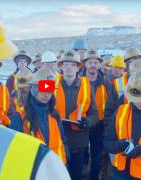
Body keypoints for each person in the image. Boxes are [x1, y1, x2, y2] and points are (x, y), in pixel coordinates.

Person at [0, 1, 70, 179]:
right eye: (43, 90)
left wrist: (66, 156)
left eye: (49, 91)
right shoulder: (20, 116)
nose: (46, 94)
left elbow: (62, 139)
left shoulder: (54, 114)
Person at [104, 70, 141, 180]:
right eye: (135, 99)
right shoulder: (121, 111)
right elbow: (107, 143)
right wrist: (121, 145)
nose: (139, 103)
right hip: (120, 174)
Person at [55, 49, 98, 180]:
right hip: (56, 141)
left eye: (72, 65)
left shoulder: (87, 86)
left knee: (75, 176)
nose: (69, 68)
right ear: (61, 66)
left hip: (78, 142)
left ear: (78, 68)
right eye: (66, 64)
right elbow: (38, 103)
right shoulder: (50, 82)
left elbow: (95, 115)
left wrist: (87, 122)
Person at [80, 50, 119, 180]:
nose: (93, 65)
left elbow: (112, 106)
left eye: (95, 62)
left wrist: (108, 126)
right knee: (81, 153)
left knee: (97, 156)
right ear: (85, 64)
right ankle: (82, 172)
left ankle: (93, 177)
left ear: (99, 65)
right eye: (90, 62)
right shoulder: (77, 81)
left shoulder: (107, 83)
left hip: (100, 125)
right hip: (81, 125)